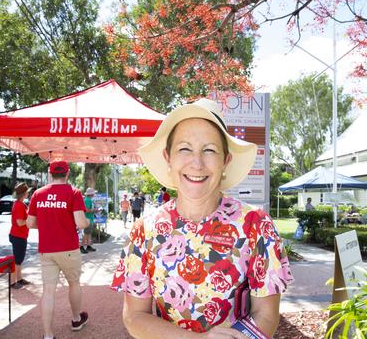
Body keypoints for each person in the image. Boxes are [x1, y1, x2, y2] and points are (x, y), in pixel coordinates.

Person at [111, 99, 293, 338]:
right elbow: (134, 316)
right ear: (168, 158)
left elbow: (266, 314)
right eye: (184, 149)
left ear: (225, 160)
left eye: (209, 150)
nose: (196, 163)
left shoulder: (256, 225)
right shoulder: (145, 230)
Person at [26, 160, 90, 339]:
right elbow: (80, 222)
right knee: (74, 283)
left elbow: (30, 223)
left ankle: (48, 335)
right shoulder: (74, 192)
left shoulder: (38, 194)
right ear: (67, 174)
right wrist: (88, 222)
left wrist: (48, 224)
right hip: (68, 248)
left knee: (48, 291)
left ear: (50, 173)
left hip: (46, 250)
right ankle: (76, 319)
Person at [9, 182, 30, 289]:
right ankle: (13, 282)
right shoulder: (19, 205)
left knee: (19, 260)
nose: (28, 193)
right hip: (18, 236)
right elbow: (20, 222)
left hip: (19, 235)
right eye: (27, 192)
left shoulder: (20, 204)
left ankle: (19, 279)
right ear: (24, 193)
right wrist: (30, 220)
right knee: (17, 260)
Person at [81, 187, 97, 254]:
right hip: (87, 219)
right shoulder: (87, 200)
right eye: (93, 193)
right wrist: (94, 210)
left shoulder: (88, 199)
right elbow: (86, 210)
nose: (94, 194)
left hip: (89, 219)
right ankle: (81, 247)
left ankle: (88, 245)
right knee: (86, 234)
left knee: (88, 233)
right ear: (91, 194)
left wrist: (94, 210)